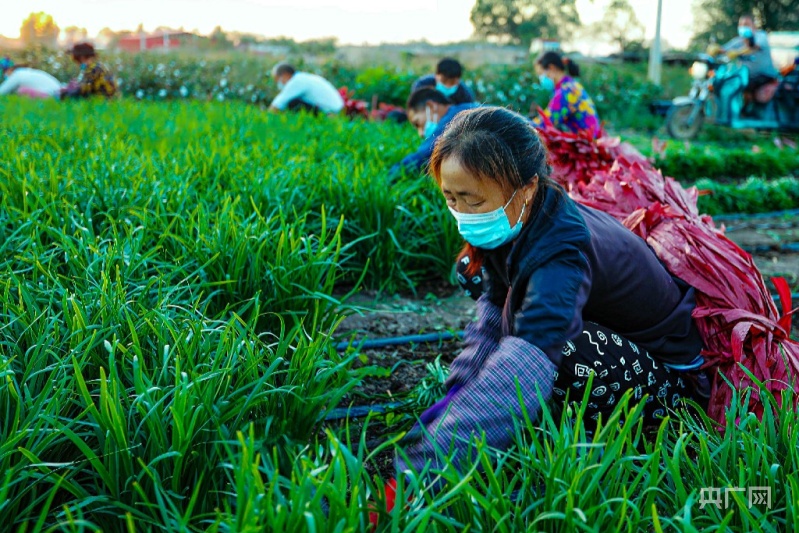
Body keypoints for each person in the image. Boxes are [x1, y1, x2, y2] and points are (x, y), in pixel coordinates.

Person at [397, 107, 709, 476]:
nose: (463, 213)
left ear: (527, 187)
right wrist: (451, 404)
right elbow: (490, 323)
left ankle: (603, 451)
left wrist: (430, 466)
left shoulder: (562, 250)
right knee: (475, 276)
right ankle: (553, 418)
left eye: (474, 201)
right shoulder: (519, 221)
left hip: (668, 387)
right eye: (452, 199)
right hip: (617, 347)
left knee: (558, 344)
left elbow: (529, 358)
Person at [389, 88, 478, 177]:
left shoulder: (453, 118)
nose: (421, 134)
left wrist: (394, 171)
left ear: (431, 106)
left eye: (417, 123)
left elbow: (423, 157)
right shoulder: (467, 108)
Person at [529, 52, 601, 138]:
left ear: (552, 68)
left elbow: (544, 123)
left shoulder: (567, 92)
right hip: (588, 139)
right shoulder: (570, 85)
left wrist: (521, 125)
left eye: (541, 74)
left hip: (587, 143)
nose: (541, 79)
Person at [716, 14, 778, 92]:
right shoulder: (739, 40)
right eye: (740, 25)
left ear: (753, 26)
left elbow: (755, 47)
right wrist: (715, 49)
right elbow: (723, 49)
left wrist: (738, 52)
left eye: (746, 24)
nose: (743, 27)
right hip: (749, 77)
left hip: (765, 77)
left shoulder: (761, 36)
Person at [269, 63, 344, 115]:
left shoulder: (296, 81)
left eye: (277, 79)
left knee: (293, 103)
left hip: (329, 112)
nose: (278, 83)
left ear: (285, 75)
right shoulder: (303, 78)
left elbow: (277, 104)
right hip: (337, 109)